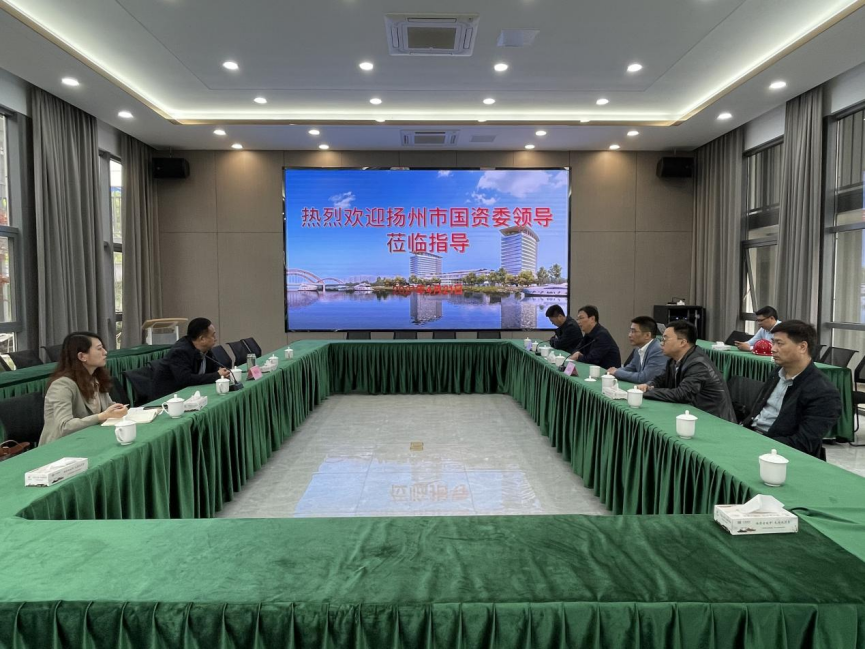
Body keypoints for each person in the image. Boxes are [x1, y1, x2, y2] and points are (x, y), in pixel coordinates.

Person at [742, 320, 841, 457]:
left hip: (779, 454)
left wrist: (759, 444)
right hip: (752, 437)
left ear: (802, 347)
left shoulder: (823, 392)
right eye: (773, 342)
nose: (773, 349)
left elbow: (803, 442)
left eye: (779, 343)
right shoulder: (776, 374)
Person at [636, 320, 736, 422]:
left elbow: (682, 394)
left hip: (715, 421)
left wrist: (649, 392)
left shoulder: (698, 364)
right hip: (695, 415)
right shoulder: (674, 360)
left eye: (665, 339)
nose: (661, 343)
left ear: (682, 342)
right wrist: (650, 385)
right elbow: (662, 379)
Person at [39, 332, 128, 445]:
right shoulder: (61, 385)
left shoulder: (95, 378)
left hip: (88, 440)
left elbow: (108, 407)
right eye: (99, 349)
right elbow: (65, 426)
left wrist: (118, 409)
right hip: (61, 447)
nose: (105, 352)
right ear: (82, 356)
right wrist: (101, 416)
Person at [151, 317, 230, 399]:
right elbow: (185, 379)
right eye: (213, 335)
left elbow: (215, 368)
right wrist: (217, 375)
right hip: (169, 398)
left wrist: (223, 373)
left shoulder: (206, 350)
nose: (215, 339)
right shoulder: (180, 352)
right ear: (202, 339)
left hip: (191, 394)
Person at [608, 316, 667, 384]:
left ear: (647, 335)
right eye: (630, 331)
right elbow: (630, 368)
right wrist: (613, 371)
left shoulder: (658, 350)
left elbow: (645, 378)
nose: (629, 335)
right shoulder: (638, 349)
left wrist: (617, 372)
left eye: (634, 331)